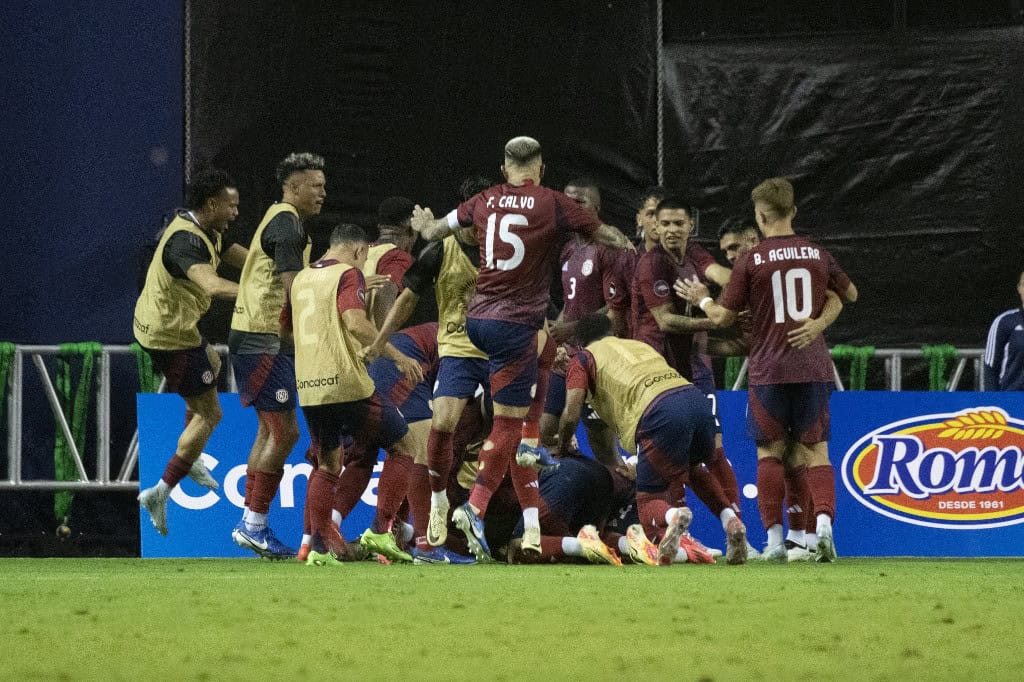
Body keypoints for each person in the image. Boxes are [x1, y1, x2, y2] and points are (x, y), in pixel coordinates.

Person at [409, 136, 633, 559]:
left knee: (512, 406)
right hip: (516, 325)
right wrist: (625, 242)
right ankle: (473, 508)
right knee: (509, 425)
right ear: (542, 168)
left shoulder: (484, 199)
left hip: (474, 324)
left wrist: (423, 226)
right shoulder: (552, 202)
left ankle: (521, 502)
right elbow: (603, 233)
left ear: (503, 168)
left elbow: (436, 231)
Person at [678, 177, 858, 563]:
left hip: (769, 370)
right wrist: (818, 323)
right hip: (812, 368)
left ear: (760, 216)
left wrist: (703, 299)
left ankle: (776, 541)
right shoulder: (815, 253)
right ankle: (822, 528)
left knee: (769, 455)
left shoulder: (751, 260)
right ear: (792, 211)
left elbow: (725, 317)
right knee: (817, 452)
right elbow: (849, 294)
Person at [282, 223, 424, 566]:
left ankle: (317, 549)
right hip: (346, 383)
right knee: (405, 446)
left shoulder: (301, 277)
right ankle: (380, 528)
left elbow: (283, 330)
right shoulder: (348, 274)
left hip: (309, 385)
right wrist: (397, 355)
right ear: (360, 251)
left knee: (328, 464)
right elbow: (356, 323)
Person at [557, 313, 749, 565]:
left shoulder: (583, 358)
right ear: (612, 332)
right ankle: (729, 519)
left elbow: (571, 413)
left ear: (580, 342)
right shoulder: (638, 344)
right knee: (694, 469)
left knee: (648, 500)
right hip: (693, 399)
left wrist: (563, 445)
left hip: (658, 412)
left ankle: (672, 516)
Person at [366, 177, 492, 554]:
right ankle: (425, 528)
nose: (480, 220)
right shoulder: (437, 252)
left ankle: (500, 518)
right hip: (448, 355)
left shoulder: (505, 248)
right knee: (431, 436)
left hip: (498, 351)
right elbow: (403, 299)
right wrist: (380, 342)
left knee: (513, 434)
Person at [135, 169, 247, 535]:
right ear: (211, 204)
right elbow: (212, 285)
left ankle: (192, 454)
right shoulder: (184, 242)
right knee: (210, 414)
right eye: (230, 206)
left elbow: (237, 256)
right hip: (170, 336)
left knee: (212, 362)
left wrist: (280, 272)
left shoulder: (206, 227)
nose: (235, 212)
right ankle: (161, 491)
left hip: (176, 327)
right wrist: (259, 295)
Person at [228, 152, 325, 559]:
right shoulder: (287, 224)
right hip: (263, 340)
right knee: (285, 433)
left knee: (270, 432)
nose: (323, 192)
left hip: (254, 337)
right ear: (294, 186)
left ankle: (251, 524)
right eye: (316, 185)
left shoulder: (281, 219)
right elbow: (294, 291)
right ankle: (253, 524)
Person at [542, 177, 629, 464]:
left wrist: (573, 328)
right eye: (565, 202)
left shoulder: (609, 249)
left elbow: (616, 310)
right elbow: (570, 303)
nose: (570, 208)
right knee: (544, 432)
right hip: (567, 355)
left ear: (597, 207)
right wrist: (555, 336)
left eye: (578, 202)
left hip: (597, 356)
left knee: (602, 446)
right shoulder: (568, 248)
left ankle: (616, 500)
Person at [363, 196, 419, 328]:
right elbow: (386, 292)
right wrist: (382, 343)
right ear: (411, 228)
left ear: (380, 227)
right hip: (368, 344)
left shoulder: (361, 252)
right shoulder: (398, 257)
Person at [983, 271, 1024, 391]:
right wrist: (994, 401)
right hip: (1011, 401)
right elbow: (990, 367)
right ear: (1019, 289)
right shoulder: (1004, 322)